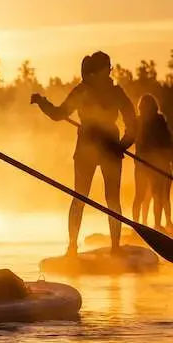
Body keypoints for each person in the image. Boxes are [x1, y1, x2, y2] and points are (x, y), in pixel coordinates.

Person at [32, 51, 136, 256]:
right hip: (86, 146)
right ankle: (72, 247)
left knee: (112, 200)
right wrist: (42, 102)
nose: (108, 73)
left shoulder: (116, 93)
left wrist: (123, 144)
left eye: (108, 69)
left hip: (110, 148)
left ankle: (116, 248)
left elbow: (133, 123)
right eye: (106, 69)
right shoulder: (82, 91)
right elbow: (59, 114)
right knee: (79, 197)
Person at [132, 94, 172, 230]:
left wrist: (168, 159)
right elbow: (130, 137)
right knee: (140, 195)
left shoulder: (160, 121)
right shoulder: (138, 122)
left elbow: (167, 142)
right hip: (142, 163)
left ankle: (156, 225)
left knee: (157, 195)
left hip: (156, 164)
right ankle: (137, 225)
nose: (146, 111)